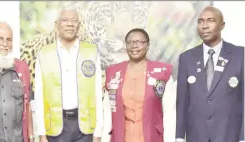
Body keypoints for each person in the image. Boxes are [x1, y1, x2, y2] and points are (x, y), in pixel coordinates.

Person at [33, 6, 105, 142]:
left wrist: (98, 132)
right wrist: (41, 134)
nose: (70, 24)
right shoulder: (44, 53)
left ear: (79, 25)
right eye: (65, 20)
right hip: (55, 127)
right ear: (57, 25)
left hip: (85, 126)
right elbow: (39, 96)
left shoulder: (91, 52)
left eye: (74, 20)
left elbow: (97, 94)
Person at [176, 6, 244, 142]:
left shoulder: (240, 55)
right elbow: (182, 101)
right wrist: (179, 136)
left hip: (229, 135)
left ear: (222, 25)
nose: (204, 26)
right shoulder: (187, 57)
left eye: (210, 21)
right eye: (200, 21)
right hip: (196, 136)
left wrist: (243, 137)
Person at [104, 28, 176, 142]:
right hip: (121, 136)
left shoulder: (162, 72)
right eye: (130, 42)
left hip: (152, 136)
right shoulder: (113, 72)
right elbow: (108, 112)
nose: (134, 45)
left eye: (140, 42)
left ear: (148, 45)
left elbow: (169, 112)